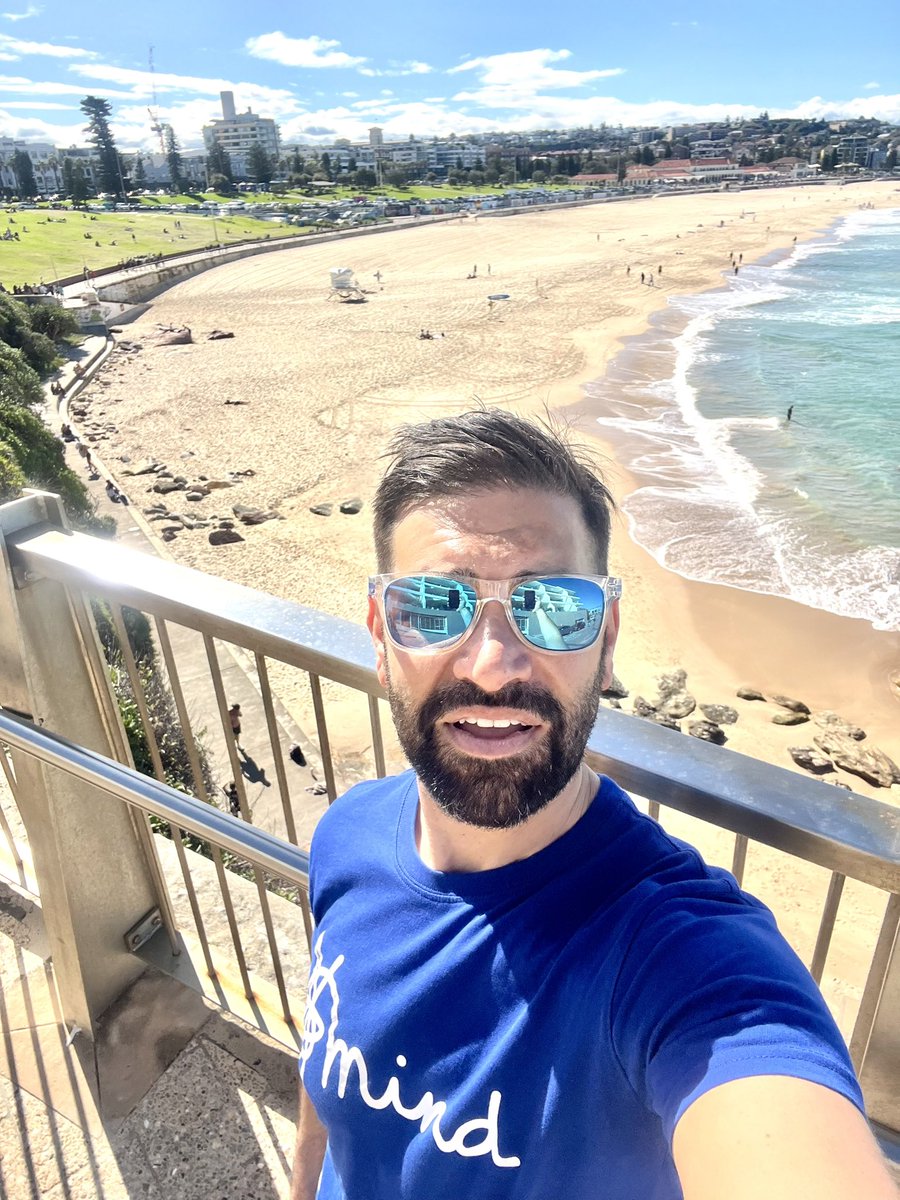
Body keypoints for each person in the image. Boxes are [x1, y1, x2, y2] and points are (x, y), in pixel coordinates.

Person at [291, 410, 895, 1200]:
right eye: (435, 605)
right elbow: (327, 1074)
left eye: (555, 608)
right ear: (380, 635)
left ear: (606, 641)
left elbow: (770, 1110)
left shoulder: (679, 960)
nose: (496, 666)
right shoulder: (348, 836)